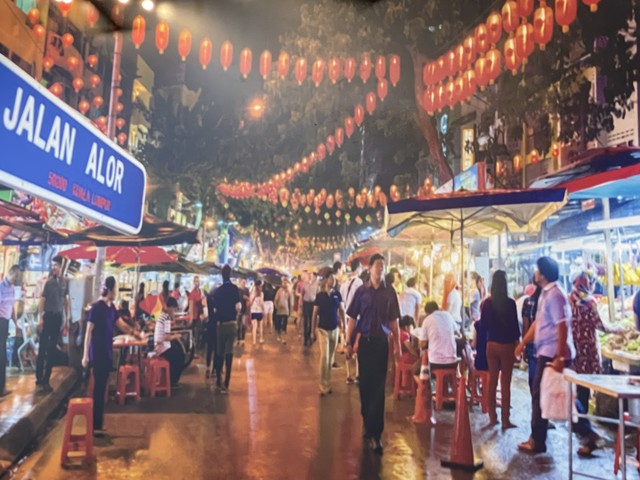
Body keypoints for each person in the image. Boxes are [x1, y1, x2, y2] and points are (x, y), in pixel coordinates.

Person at [516, 256, 594, 455]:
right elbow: (539, 323)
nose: (534, 273)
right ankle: (586, 434)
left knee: (544, 395)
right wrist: (523, 342)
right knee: (557, 396)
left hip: (554, 354)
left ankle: (539, 440)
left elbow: (562, 325)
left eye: (536, 270)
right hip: (547, 352)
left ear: (543, 274)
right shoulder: (546, 294)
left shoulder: (556, 295)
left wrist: (559, 356)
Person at [345, 253, 401, 455]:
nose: (381, 270)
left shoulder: (390, 292)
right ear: (369, 269)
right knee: (365, 386)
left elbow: (394, 321)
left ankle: (376, 433)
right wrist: (348, 343)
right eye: (378, 266)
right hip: (365, 345)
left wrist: (397, 346)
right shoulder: (361, 291)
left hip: (381, 344)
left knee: (379, 387)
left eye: (383, 267)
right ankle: (367, 419)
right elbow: (352, 318)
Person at [569, 271, 621, 455]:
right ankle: (587, 437)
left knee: (579, 393)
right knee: (582, 393)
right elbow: (601, 326)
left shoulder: (569, 300)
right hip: (589, 352)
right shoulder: (590, 303)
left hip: (575, 353)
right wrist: (617, 330)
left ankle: (586, 436)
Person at [479, 270, 520, 429]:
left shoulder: (487, 303)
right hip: (507, 346)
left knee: (491, 382)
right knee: (506, 384)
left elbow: (483, 326)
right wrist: (517, 344)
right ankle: (505, 420)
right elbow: (515, 328)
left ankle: (492, 418)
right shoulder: (510, 303)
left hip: (492, 345)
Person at [82, 277, 118, 436]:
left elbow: (120, 323)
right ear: (110, 290)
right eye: (116, 288)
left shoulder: (112, 308)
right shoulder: (96, 308)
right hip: (97, 354)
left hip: (107, 353)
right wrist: (85, 356)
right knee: (98, 389)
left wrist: (134, 332)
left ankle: (98, 424)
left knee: (102, 388)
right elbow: (88, 332)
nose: (116, 291)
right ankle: (95, 426)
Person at [36, 255, 70, 392]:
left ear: (62, 267)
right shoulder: (48, 283)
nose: (54, 267)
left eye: (56, 265)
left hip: (58, 318)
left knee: (51, 349)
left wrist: (67, 318)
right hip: (48, 316)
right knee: (43, 347)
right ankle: (39, 377)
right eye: (53, 265)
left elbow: (66, 300)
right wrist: (41, 318)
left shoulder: (64, 283)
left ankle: (46, 379)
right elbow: (42, 300)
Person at [209, 265, 241, 393]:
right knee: (229, 352)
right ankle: (226, 383)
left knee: (219, 352)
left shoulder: (218, 291)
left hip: (220, 325)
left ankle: (218, 380)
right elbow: (238, 307)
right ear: (231, 274)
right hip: (232, 324)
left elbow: (215, 309)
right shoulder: (234, 289)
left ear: (221, 275)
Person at [312, 272, 344, 396]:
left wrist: (344, 327)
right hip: (322, 330)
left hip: (334, 329)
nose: (333, 281)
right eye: (331, 278)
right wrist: (312, 330)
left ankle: (327, 383)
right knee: (324, 357)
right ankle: (322, 385)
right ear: (326, 280)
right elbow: (314, 314)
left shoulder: (337, 295)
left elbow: (341, 310)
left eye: (335, 279)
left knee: (330, 358)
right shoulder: (320, 296)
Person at [340, 259, 363, 384]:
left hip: (347, 316)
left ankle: (348, 375)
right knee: (357, 345)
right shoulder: (359, 282)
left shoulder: (344, 283)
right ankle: (358, 374)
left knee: (347, 344)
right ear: (358, 268)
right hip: (357, 318)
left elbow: (342, 302)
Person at [154, 297, 185, 387]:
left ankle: (170, 380)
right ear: (170, 307)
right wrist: (176, 336)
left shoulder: (161, 315)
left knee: (176, 351)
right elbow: (167, 337)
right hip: (162, 348)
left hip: (158, 347)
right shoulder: (166, 318)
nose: (174, 311)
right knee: (179, 357)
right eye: (174, 309)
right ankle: (172, 382)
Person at [419, 301, 458, 370]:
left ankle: (426, 380)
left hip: (436, 363)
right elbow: (456, 332)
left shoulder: (427, 320)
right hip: (453, 362)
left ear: (427, 313)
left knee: (417, 369)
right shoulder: (448, 315)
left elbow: (422, 344)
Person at [0, 265, 20, 397]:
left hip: (6, 322)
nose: (16, 279)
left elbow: (12, 307)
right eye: (16, 276)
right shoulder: (1, 287)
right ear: (10, 272)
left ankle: (2, 387)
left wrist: (16, 323)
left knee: (2, 357)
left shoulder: (12, 288)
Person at [521, 280, 541, 390]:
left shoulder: (528, 302)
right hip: (547, 348)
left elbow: (525, 327)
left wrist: (523, 345)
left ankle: (535, 403)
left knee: (533, 379)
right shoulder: (550, 301)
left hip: (532, 345)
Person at [188, 276, 206, 349]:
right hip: (194, 316)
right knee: (194, 333)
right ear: (193, 282)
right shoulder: (192, 293)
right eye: (195, 281)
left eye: (198, 281)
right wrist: (191, 317)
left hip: (198, 315)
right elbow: (191, 305)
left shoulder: (199, 292)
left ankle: (196, 348)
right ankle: (193, 349)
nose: (197, 283)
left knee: (198, 332)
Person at [274, 277, 293, 343]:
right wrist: (276, 307)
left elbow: (290, 302)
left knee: (284, 325)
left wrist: (290, 311)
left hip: (286, 310)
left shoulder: (288, 292)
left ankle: (283, 338)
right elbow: (276, 300)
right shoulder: (279, 290)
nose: (284, 284)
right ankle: (278, 336)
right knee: (278, 324)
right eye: (283, 282)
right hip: (279, 310)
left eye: (285, 283)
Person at [301, 272, 318, 346]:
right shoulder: (305, 284)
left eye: (312, 276)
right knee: (305, 320)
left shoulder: (317, 284)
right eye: (310, 276)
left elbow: (317, 294)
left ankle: (310, 336)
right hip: (306, 303)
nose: (311, 277)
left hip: (313, 304)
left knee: (312, 320)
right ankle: (305, 338)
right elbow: (302, 294)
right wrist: (300, 304)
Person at [250, 280, 265, 345]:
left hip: (253, 311)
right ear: (259, 285)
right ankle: (261, 339)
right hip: (259, 311)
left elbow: (250, 302)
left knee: (254, 327)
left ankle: (254, 341)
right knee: (260, 326)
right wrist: (263, 310)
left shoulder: (252, 292)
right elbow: (262, 303)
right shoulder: (261, 294)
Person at [237, 278, 250, 345]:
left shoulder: (247, 290)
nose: (244, 283)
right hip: (238, 310)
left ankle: (243, 339)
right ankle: (238, 339)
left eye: (245, 282)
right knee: (238, 325)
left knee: (243, 325)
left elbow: (249, 300)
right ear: (240, 282)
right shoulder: (237, 290)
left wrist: (247, 298)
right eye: (243, 282)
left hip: (244, 310)